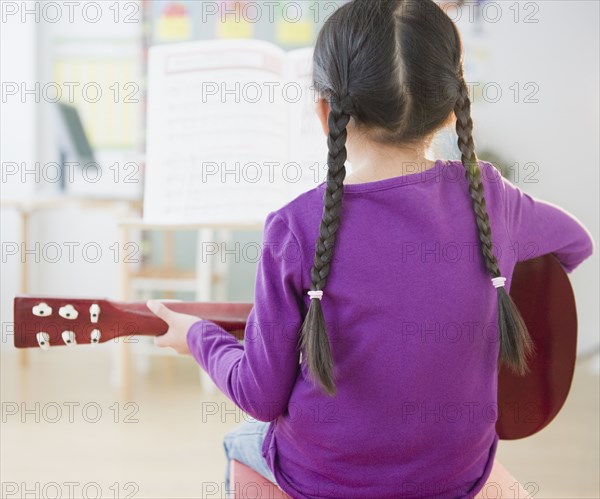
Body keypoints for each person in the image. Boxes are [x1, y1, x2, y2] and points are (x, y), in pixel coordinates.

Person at [147, 1, 595, 497]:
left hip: (323, 479)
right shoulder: (490, 196)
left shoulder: (295, 227)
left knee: (241, 439)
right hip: (458, 475)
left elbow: (260, 395)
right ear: (451, 111)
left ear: (325, 112)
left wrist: (196, 336)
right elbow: (575, 244)